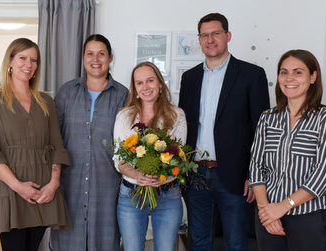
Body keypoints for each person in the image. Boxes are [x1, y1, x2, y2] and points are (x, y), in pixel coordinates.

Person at [178, 13, 270, 251]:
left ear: (228, 36)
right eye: (204, 35)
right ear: (199, 40)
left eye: (216, 33)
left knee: (236, 243)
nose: (210, 39)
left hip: (236, 176)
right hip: (195, 173)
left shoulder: (252, 75)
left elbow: (262, 131)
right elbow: (184, 127)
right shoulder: (190, 78)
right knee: (198, 242)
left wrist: (254, 175)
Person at [0, 38, 70, 251]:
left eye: (34, 60)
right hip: (9, 191)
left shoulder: (46, 102)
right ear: (10, 61)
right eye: (23, 58)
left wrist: (53, 185)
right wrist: (19, 187)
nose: (29, 64)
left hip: (43, 192)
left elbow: (57, 146)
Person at [249, 49, 326, 251]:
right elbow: (256, 167)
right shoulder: (267, 118)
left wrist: (282, 207)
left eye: (298, 72)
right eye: (284, 72)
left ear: (313, 77)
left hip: (310, 220)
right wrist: (266, 211)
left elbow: (323, 176)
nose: (289, 78)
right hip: (268, 218)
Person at [50, 34, 128, 251]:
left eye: (101, 54)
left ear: (110, 58)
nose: (96, 59)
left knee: (104, 243)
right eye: (90, 54)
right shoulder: (66, 92)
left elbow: (129, 144)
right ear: (83, 58)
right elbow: (54, 138)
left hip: (106, 187)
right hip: (68, 184)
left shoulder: (123, 95)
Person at [113, 62, 187, 251]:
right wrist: (137, 175)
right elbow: (118, 159)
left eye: (150, 81)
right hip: (131, 194)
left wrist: (160, 176)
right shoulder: (124, 116)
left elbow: (178, 157)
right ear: (135, 88)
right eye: (139, 83)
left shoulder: (176, 115)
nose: (145, 87)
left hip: (168, 194)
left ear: (160, 83)